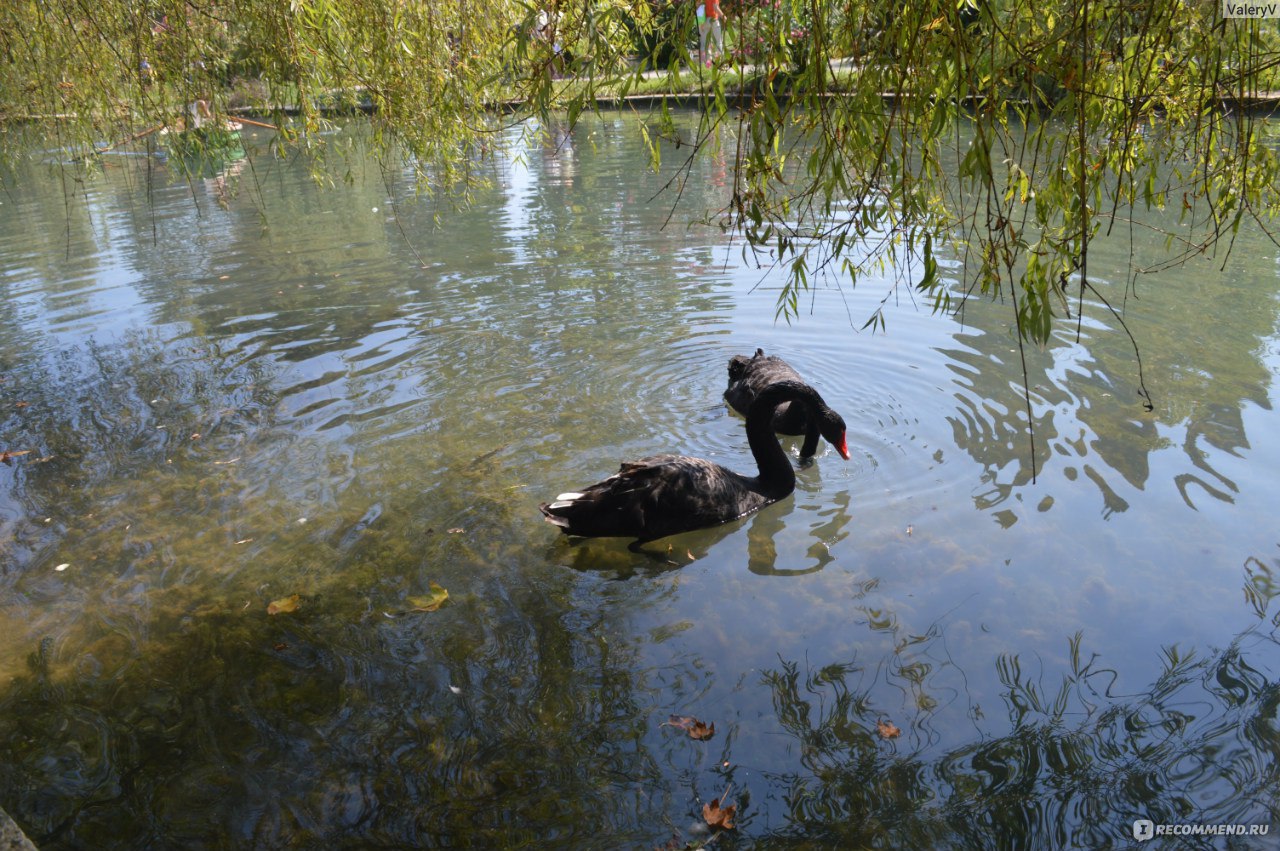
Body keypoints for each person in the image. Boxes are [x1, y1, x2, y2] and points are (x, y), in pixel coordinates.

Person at [699, 0, 724, 67]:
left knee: (705, 42)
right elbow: (715, 7)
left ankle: (707, 60)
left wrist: (700, 22)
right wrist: (723, 16)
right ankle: (718, 59)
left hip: (704, 21)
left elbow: (699, 6)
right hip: (714, 20)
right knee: (718, 41)